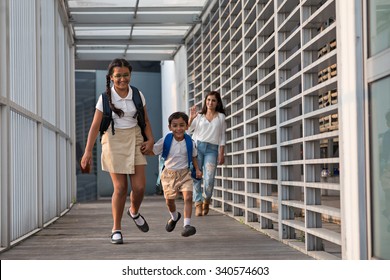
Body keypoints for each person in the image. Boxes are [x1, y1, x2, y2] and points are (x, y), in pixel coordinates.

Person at [80, 58, 154, 244]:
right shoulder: (104, 98)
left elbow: (145, 120)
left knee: (139, 188)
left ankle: (134, 211)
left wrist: (151, 139)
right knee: (120, 188)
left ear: (130, 74)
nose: (123, 79)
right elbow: (95, 126)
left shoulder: (137, 94)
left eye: (126, 75)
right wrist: (87, 152)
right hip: (113, 140)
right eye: (118, 76)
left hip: (135, 138)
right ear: (111, 78)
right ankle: (116, 229)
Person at [149, 112, 202, 237]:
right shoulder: (166, 140)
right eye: (175, 125)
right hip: (168, 174)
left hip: (184, 173)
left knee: (188, 197)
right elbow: (154, 150)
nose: (178, 129)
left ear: (186, 126)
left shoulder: (189, 141)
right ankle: (174, 217)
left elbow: (194, 156)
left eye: (182, 125)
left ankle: (187, 225)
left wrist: (197, 169)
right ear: (170, 127)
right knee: (169, 201)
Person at [188, 91, 227, 216]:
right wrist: (191, 117)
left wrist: (221, 153)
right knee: (196, 176)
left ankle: (207, 199)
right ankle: (198, 203)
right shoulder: (199, 116)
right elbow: (187, 129)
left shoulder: (221, 117)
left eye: (213, 100)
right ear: (205, 101)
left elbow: (222, 136)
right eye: (208, 100)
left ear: (217, 103)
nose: (210, 102)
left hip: (212, 149)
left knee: (209, 178)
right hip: (197, 147)